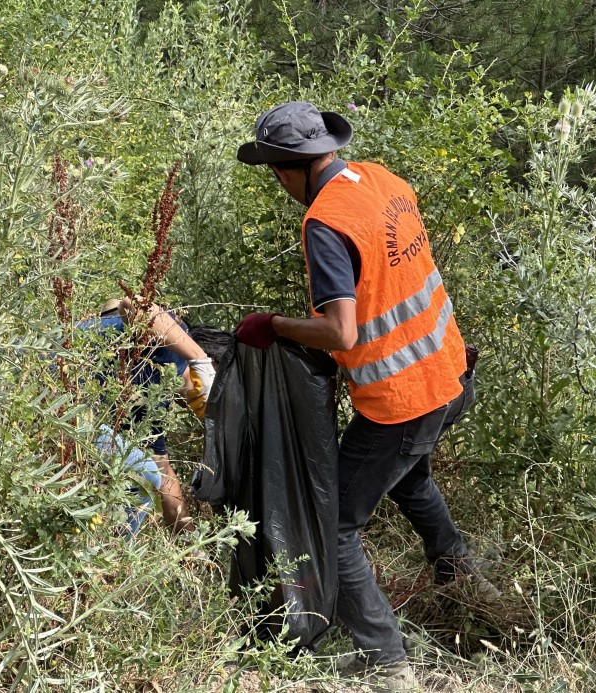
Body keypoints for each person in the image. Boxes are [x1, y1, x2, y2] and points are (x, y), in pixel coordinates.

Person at [233, 101, 484, 692]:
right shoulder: (383, 181)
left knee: (335, 524)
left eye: (274, 175)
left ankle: (388, 664)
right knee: (409, 476)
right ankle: (465, 580)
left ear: (285, 169)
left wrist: (275, 324)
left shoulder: (325, 222)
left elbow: (342, 331)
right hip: (450, 371)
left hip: (404, 399)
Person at [76, 297, 216, 535]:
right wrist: (199, 359)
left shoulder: (151, 392)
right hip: (30, 392)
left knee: (145, 469)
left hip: (58, 412)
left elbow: (165, 476)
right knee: (141, 473)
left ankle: (107, 557)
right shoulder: (168, 347)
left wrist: (192, 546)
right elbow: (134, 304)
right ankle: (110, 560)